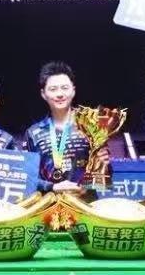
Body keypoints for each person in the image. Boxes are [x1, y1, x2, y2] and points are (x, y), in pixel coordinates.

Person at [21, 61, 109, 197]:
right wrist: (52, 187)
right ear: (43, 94)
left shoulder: (92, 127)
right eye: (53, 89)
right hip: (48, 205)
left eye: (64, 88)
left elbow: (105, 174)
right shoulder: (33, 133)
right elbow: (26, 178)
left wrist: (88, 185)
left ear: (73, 90)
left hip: (84, 204)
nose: (60, 94)